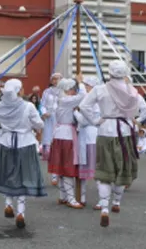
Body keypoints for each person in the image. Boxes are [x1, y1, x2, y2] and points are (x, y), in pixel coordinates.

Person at [79, 60, 141, 228]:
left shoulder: (100, 89)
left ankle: (104, 208)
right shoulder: (132, 90)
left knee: (104, 170)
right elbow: (142, 109)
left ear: (110, 72)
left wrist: (94, 120)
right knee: (122, 170)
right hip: (125, 131)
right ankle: (117, 202)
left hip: (105, 130)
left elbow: (83, 106)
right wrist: (134, 121)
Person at [0, 79, 46, 229]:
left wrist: (0, 133)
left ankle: (8, 204)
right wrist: (34, 125)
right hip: (25, 143)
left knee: (8, 174)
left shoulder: (0, 106)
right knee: (23, 178)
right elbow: (40, 124)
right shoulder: (28, 106)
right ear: (18, 90)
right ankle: (21, 213)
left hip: (6, 143)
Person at [48, 76, 86, 209]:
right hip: (66, 136)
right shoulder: (65, 100)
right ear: (67, 90)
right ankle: (70, 198)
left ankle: (63, 196)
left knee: (62, 167)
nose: (74, 91)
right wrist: (80, 83)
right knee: (68, 167)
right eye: (73, 89)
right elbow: (82, 96)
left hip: (60, 135)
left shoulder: (61, 99)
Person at [73, 76, 101, 206]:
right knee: (85, 170)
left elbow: (84, 121)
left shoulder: (92, 102)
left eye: (87, 86)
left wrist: (76, 113)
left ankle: (100, 199)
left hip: (90, 137)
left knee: (94, 169)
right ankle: (83, 197)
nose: (86, 88)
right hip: (90, 136)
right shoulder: (95, 100)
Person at [40, 73, 62, 185]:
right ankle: (53, 174)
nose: (55, 81)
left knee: (59, 147)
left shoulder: (64, 92)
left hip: (60, 120)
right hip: (49, 120)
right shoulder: (47, 91)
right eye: (53, 79)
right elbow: (42, 104)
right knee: (50, 148)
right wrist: (44, 112)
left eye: (57, 79)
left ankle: (58, 174)